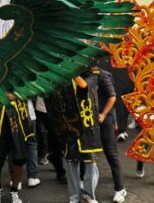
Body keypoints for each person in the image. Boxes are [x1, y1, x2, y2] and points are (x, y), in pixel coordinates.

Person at [45, 74, 102, 203]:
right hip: (69, 127)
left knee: (90, 162)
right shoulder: (59, 77)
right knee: (71, 163)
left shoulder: (93, 72)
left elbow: (83, 85)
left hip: (88, 127)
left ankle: (89, 194)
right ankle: (74, 197)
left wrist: (69, 72)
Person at [84, 64, 127, 203]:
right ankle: (87, 190)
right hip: (89, 122)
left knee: (111, 154)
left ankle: (120, 189)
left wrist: (103, 114)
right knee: (87, 155)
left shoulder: (103, 75)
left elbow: (112, 97)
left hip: (104, 121)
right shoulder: (83, 75)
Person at [0, 94, 33, 203]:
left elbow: (29, 85)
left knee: (19, 157)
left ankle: (14, 191)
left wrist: (16, 95)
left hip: (17, 117)